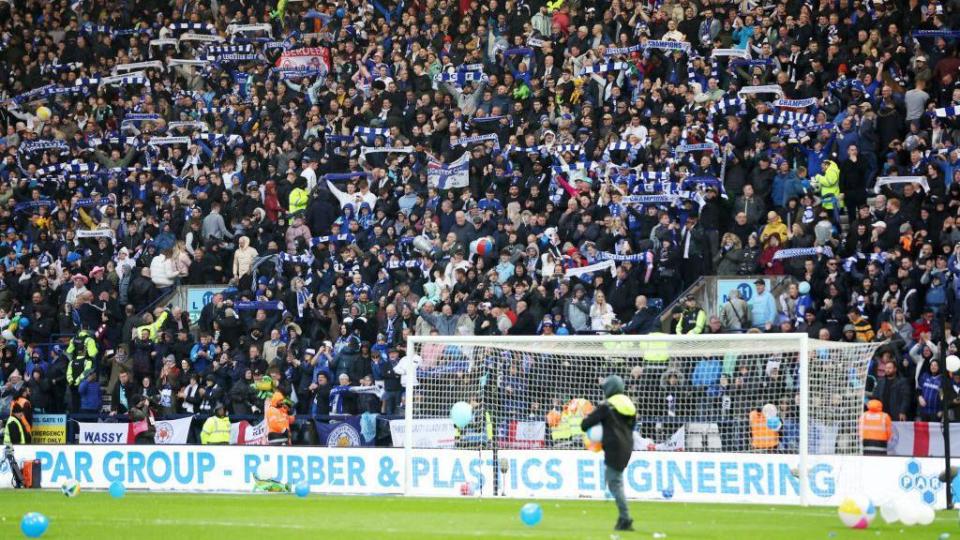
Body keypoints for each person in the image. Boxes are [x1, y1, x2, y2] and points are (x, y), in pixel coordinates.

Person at [581, 375, 637, 532]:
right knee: (615, 480)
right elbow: (632, 425)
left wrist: (598, 424)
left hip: (613, 447)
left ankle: (625, 518)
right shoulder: (629, 406)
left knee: (614, 483)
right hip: (627, 446)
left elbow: (585, 425)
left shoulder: (606, 406)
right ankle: (623, 518)